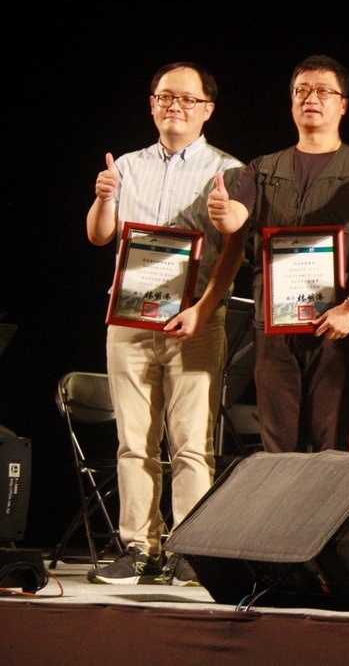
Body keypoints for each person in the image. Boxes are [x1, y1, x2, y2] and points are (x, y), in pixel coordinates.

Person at [85, 62, 245, 586]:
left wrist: (205, 307)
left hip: (194, 319)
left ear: (208, 110)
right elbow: (99, 236)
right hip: (130, 319)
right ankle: (140, 548)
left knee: (192, 443)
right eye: (165, 97)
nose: (175, 106)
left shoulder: (229, 171)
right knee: (134, 441)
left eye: (187, 99)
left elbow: (235, 250)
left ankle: (191, 549)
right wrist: (104, 198)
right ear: (152, 104)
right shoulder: (127, 166)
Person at [208, 55, 349, 453]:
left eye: (324, 91)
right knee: (278, 447)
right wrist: (222, 213)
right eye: (302, 90)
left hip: (336, 326)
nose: (311, 98)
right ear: (291, 101)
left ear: (343, 104)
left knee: (330, 445)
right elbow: (236, 216)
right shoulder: (263, 169)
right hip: (275, 326)